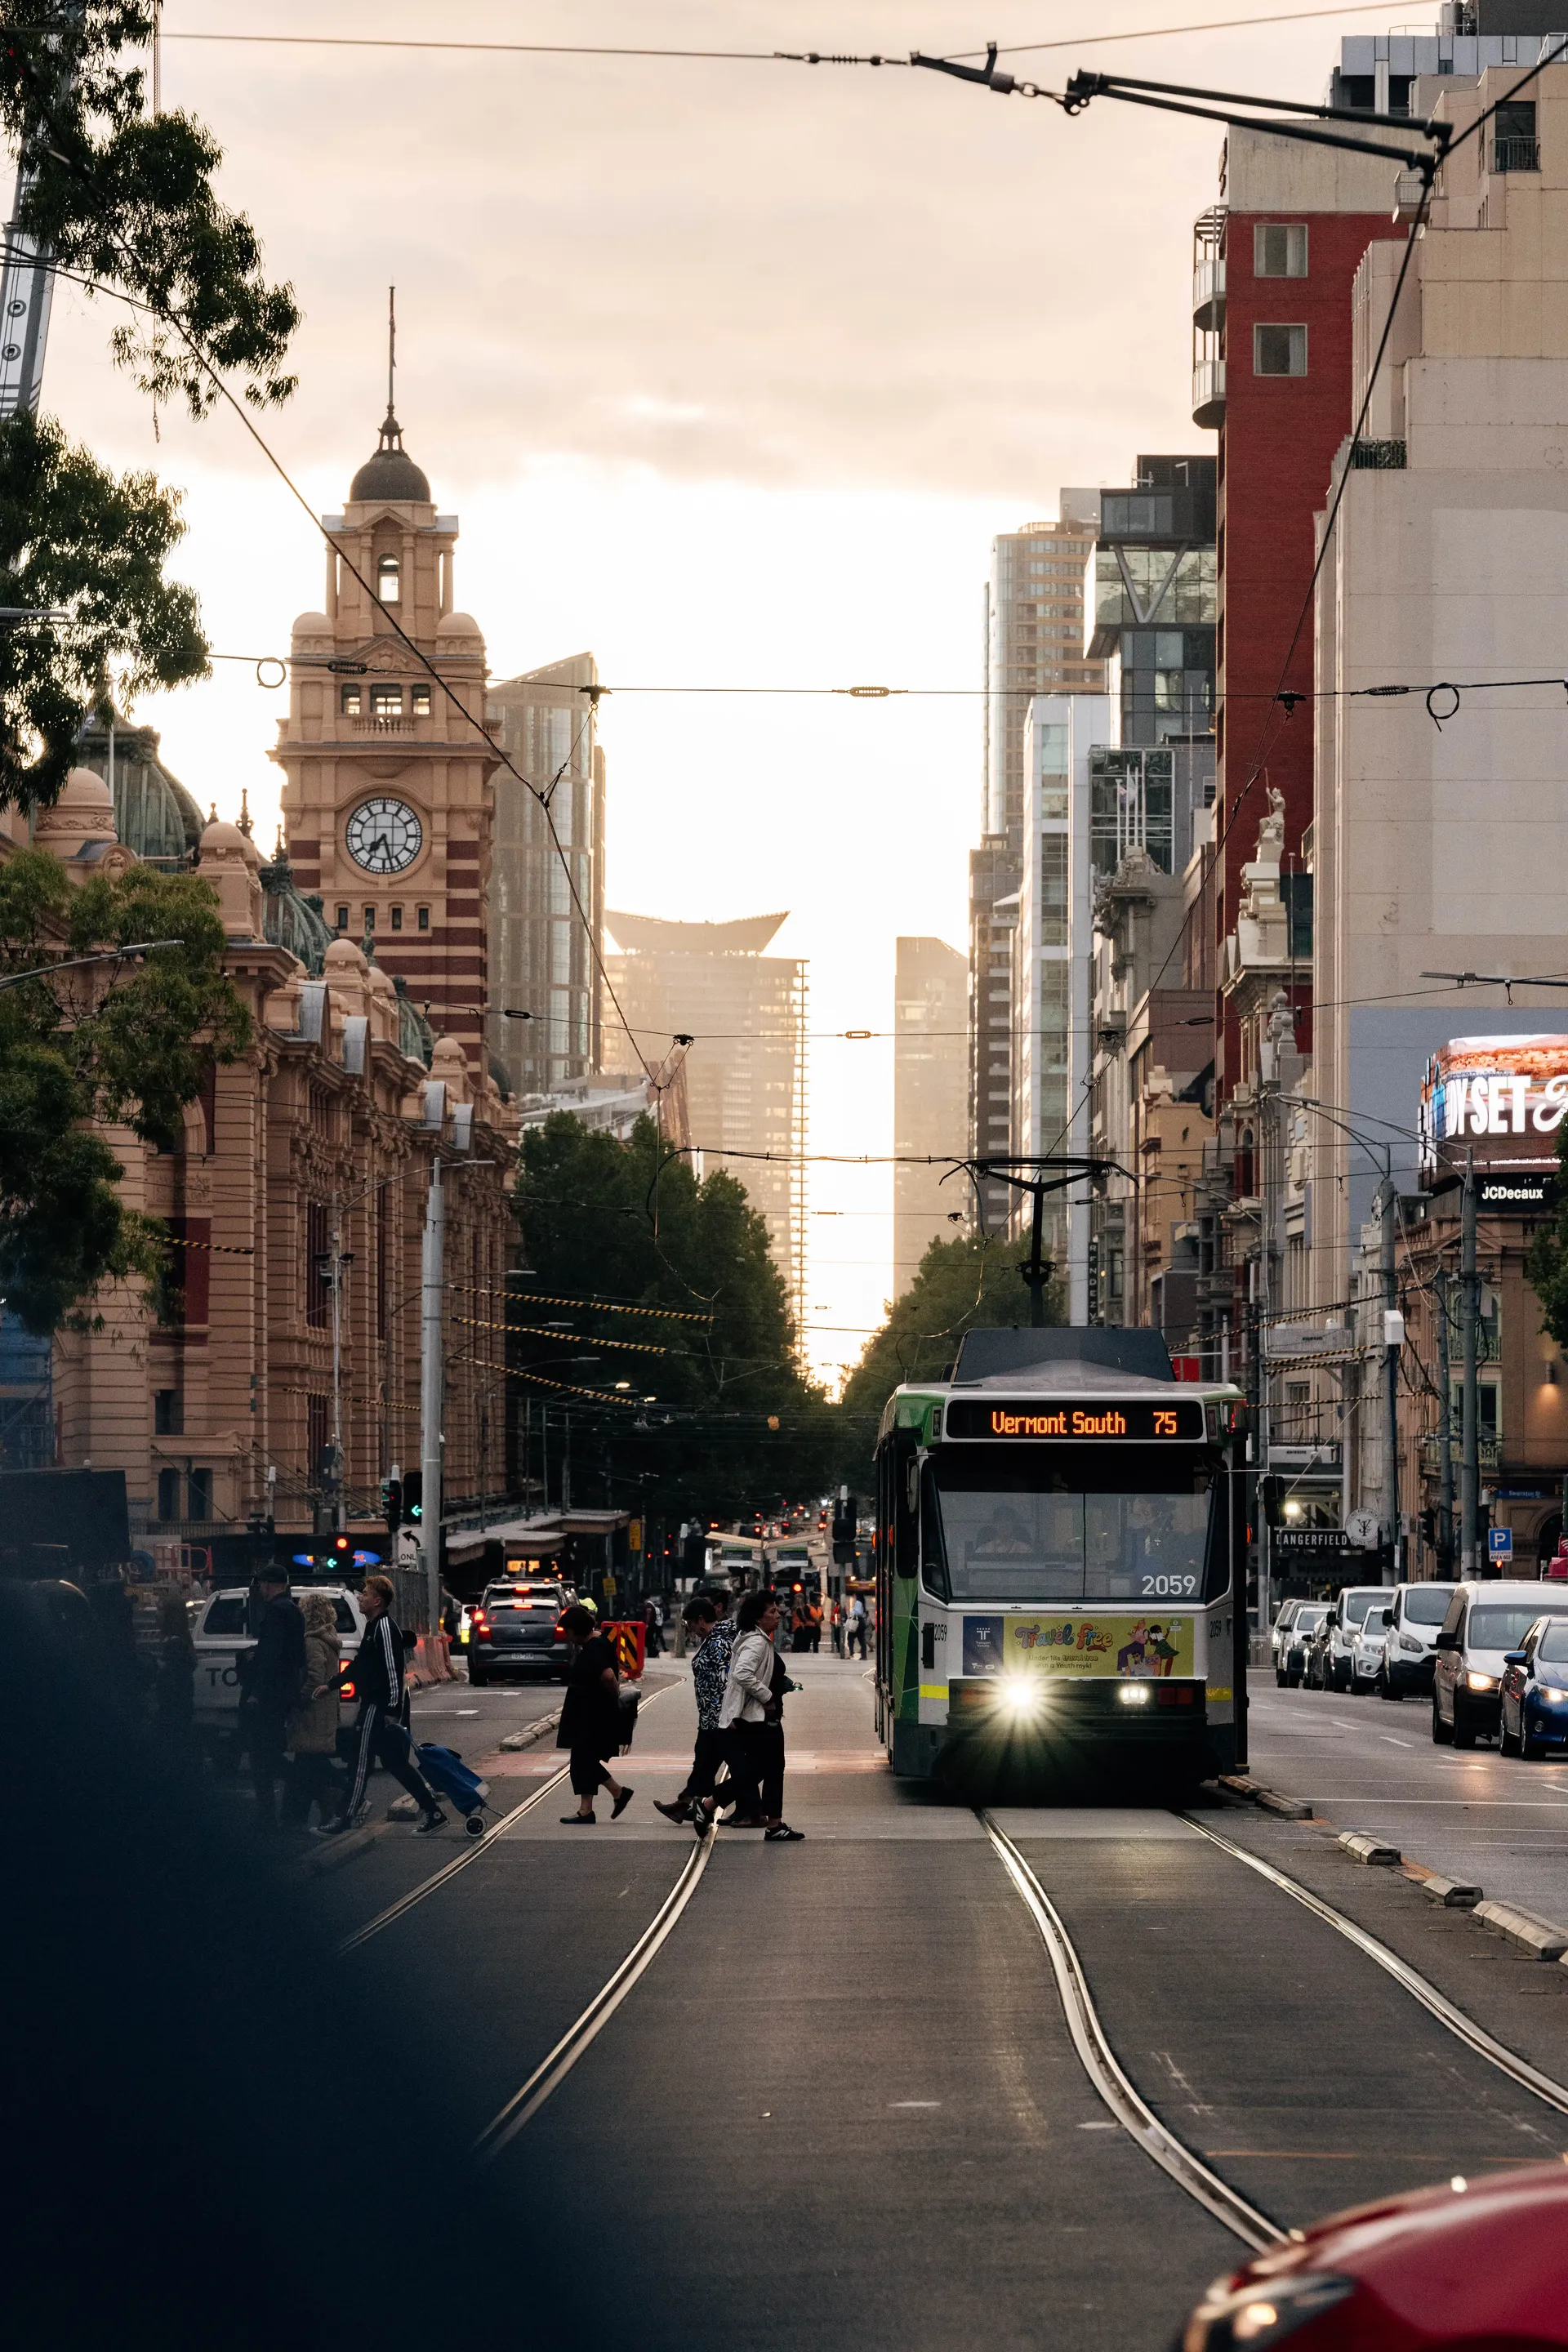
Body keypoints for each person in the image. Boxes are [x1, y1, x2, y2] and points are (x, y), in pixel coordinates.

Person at [318, 1575, 446, 1835]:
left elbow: (393, 1670)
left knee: (360, 1763)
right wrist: (332, 1685)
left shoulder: (384, 1628)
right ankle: (434, 1813)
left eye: (365, 1594)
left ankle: (345, 1818)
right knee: (395, 1763)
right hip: (377, 1706)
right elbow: (360, 1666)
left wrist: (392, 1710)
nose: (360, 1597)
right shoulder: (373, 1627)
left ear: (377, 1601)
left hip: (377, 1707)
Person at [718, 1589, 804, 1842]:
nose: (778, 1615)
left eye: (777, 1610)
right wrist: (767, 1697)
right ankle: (710, 1803)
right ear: (758, 1617)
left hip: (760, 1716)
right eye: (772, 1612)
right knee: (765, 1769)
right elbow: (742, 1673)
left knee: (768, 1768)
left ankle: (774, 1825)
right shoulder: (756, 1641)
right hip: (759, 1716)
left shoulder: (758, 1639)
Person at [657, 1594, 736, 1829]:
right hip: (711, 1718)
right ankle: (688, 1806)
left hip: (719, 1720)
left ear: (701, 1620)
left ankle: (695, 1806)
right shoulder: (714, 1639)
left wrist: (726, 1715)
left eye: (690, 1624)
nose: (690, 1629)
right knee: (704, 1764)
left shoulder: (718, 1643)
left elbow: (723, 1682)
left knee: (720, 1766)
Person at [557, 1602, 635, 1824]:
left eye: (568, 1632)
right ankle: (590, 1808)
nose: (567, 1637)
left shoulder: (594, 1648)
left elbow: (608, 1676)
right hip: (590, 1712)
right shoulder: (599, 1642)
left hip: (591, 1714)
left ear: (576, 1630)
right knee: (584, 1759)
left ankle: (614, 1794)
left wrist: (615, 1696)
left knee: (583, 1760)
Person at [241, 1568, 305, 1831]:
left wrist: (257, 1691)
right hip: (284, 1691)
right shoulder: (293, 1610)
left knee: (261, 1755)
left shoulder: (276, 1612)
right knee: (270, 1752)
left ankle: (268, 1813)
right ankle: (308, 1790)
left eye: (262, 1584)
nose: (259, 1589)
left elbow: (271, 1655)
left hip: (270, 1695)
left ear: (269, 1585)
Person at [282, 1590, 344, 1827]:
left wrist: (300, 1700)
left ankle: (341, 1795)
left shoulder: (312, 1642)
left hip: (313, 1712)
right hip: (326, 1710)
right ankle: (299, 1814)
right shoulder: (329, 1638)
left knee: (307, 1762)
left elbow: (315, 1677)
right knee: (307, 1764)